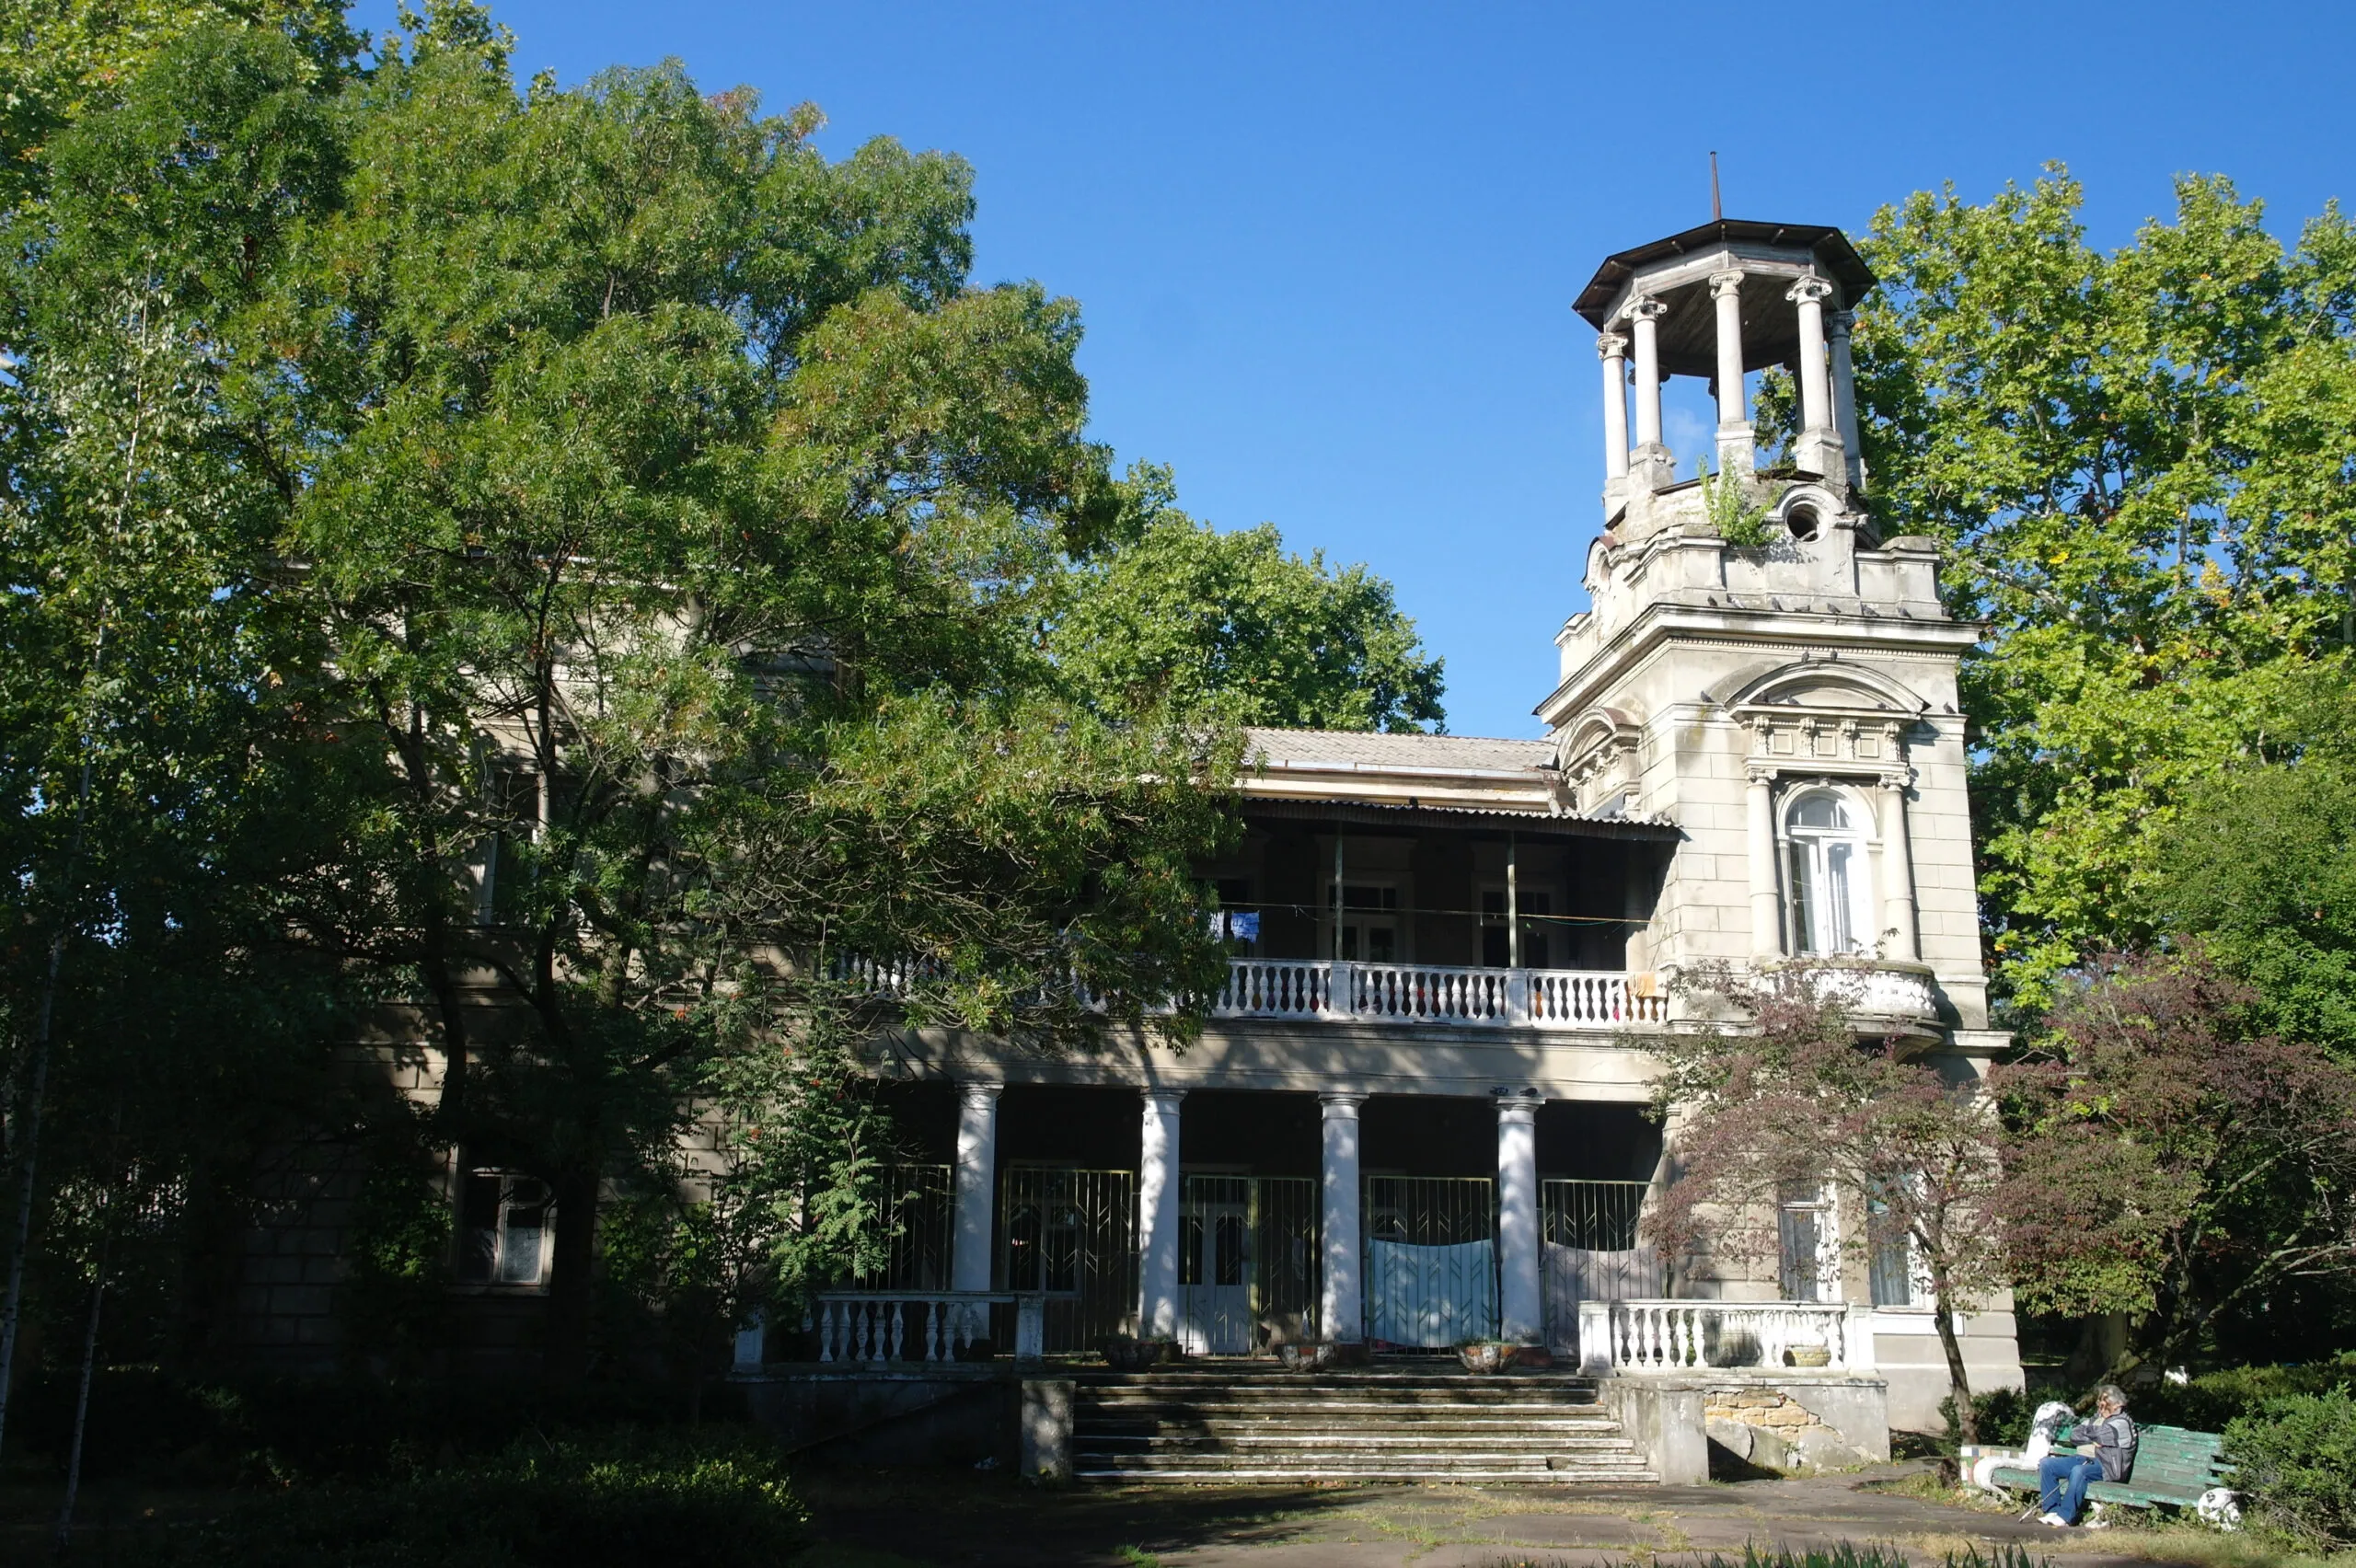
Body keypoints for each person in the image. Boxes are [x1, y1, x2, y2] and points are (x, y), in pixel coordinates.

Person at [2038, 1384, 2139, 1528]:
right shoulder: (2096, 1418)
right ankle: (2052, 1510)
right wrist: (2093, 1438)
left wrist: (2090, 1434)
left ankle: (2066, 1516)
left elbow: (2099, 1434)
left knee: (2079, 1471)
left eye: (2105, 1405)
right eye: (2099, 1405)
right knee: (2047, 1464)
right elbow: (2075, 1434)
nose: (2100, 1409)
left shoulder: (2122, 1423)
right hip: (2083, 1459)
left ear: (2118, 1405)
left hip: (2107, 1466)